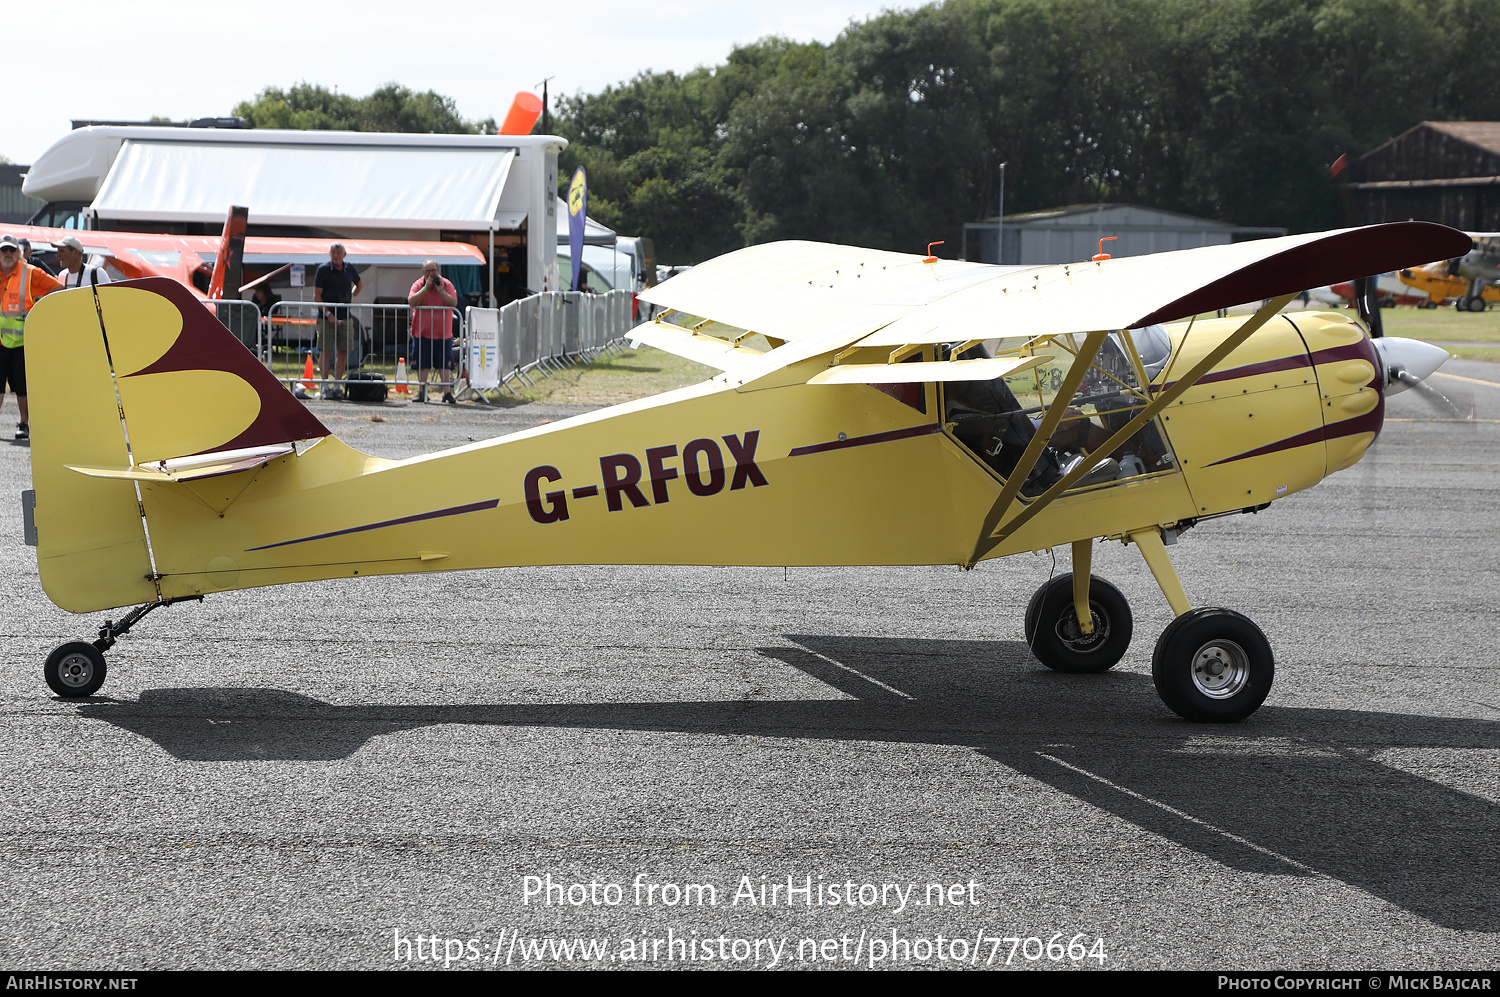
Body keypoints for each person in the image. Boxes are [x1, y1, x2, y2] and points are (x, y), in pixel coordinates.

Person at [0, 234, 62, 440]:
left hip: (21, 341)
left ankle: (24, 423)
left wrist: (42, 315)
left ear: (19, 253)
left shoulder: (30, 273)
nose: (7, 254)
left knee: (22, 385)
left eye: (11, 250)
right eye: (3, 250)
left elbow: (58, 288)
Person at [313, 243, 362, 400]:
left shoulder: (350, 269)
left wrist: (351, 297)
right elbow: (317, 297)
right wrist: (329, 314)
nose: (336, 255)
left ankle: (337, 385)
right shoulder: (323, 270)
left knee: (343, 351)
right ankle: (325, 385)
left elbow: (359, 284)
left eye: (338, 253)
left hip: (345, 316)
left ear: (344, 254)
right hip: (325, 317)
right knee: (326, 351)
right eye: (333, 253)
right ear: (329, 254)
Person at [406, 259, 458, 404]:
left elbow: (453, 303)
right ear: (423, 272)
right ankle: (422, 392)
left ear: (438, 270)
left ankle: (447, 393)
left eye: (433, 270)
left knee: (444, 364)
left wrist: (442, 292)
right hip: (422, 332)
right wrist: (425, 288)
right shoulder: (418, 284)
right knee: (422, 363)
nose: (431, 274)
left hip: (443, 333)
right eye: (428, 271)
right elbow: (411, 301)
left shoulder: (446, 284)